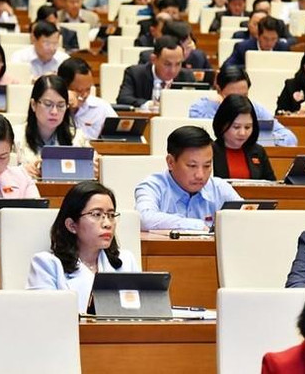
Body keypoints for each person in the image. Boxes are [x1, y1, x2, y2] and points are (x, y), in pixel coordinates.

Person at [27, 181, 139, 313]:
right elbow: (43, 316)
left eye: (111, 215)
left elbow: (138, 313)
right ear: (71, 225)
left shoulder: (126, 260)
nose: (107, 224)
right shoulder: (47, 264)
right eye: (96, 214)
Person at [135, 126, 241, 230]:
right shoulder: (152, 187)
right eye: (192, 166)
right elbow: (143, 219)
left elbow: (246, 217)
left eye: (207, 166)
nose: (200, 175)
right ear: (170, 162)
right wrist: (197, 226)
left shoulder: (219, 188)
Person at [190, 66, 297, 146]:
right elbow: (203, 142)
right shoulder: (201, 109)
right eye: (232, 96)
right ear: (219, 90)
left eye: (244, 96)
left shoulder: (255, 108)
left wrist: (263, 138)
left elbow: (290, 138)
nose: (240, 101)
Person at [14, 75, 90, 179]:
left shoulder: (78, 138)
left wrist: (95, 167)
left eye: (61, 105)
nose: (54, 112)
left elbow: (92, 168)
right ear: (33, 104)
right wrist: (19, 171)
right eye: (48, 104)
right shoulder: (15, 137)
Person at [116, 36, 195, 109]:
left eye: (178, 64)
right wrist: (149, 104)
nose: (173, 70)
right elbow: (123, 99)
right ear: (153, 59)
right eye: (167, 64)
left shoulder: (187, 77)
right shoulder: (135, 73)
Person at [212, 95, 276, 181]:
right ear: (222, 125)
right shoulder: (210, 151)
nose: (242, 133)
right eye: (236, 127)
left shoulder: (258, 151)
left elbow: (271, 184)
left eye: (247, 127)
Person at [58, 57, 116, 140]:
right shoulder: (52, 110)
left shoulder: (102, 108)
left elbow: (119, 139)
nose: (85, 95)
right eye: (79, 90)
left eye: (88, 89)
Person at [222, 16, 290, 69]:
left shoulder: (283, 48)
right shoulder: (243, 47)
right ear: (258, 35)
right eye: (265, 38)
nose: (269, 43)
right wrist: (251, 67)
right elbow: (227, 67)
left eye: (273, 39)